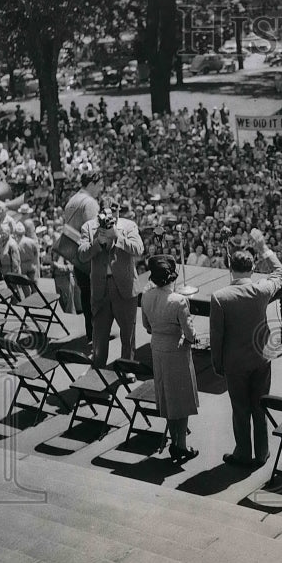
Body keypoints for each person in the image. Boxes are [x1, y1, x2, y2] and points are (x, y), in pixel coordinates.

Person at [210, 229, 282, 467]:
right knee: (259, 407)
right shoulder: (262, 289)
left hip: (235, 363)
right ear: (252, 269)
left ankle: (243, 452)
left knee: (240, 409)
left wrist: (217, 364)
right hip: (261, 359)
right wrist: (263, 248)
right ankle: (262, 453)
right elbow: (280, 273)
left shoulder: (220, 297)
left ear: (230, 268)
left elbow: (216, 335)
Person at [141, 254, 200, 462]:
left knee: (167, 397)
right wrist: (189, 338)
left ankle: (175, 440)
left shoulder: (146, 296)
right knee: (181, 401)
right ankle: (180, 445)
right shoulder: (179, 301)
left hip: (157, 348)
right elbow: (190, 334)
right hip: (176, 351)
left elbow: (146, 326)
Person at [77, 197, 144, 367]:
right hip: (100, 287)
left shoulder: (129, 226)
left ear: (118, 210)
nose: (109, 216)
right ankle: (98, 367)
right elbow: (82, 255)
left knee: (128, 332)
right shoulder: (89, 227)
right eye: (105, 212)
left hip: (124, 286)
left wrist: (118, 236)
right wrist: (97, 242)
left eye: (113, 211)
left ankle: (127, 366)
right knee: (99, 333)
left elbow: (139, 250)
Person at [63, 172, 104, 342]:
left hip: (75, 255)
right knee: (97, 295)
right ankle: (97, 333)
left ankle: (91, 331)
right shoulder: (89, 203)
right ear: (92, 184)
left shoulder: (71, 200)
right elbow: (94, 232)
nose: (101, 189)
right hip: (90, 256)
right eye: (100, 185)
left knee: (86, 294)